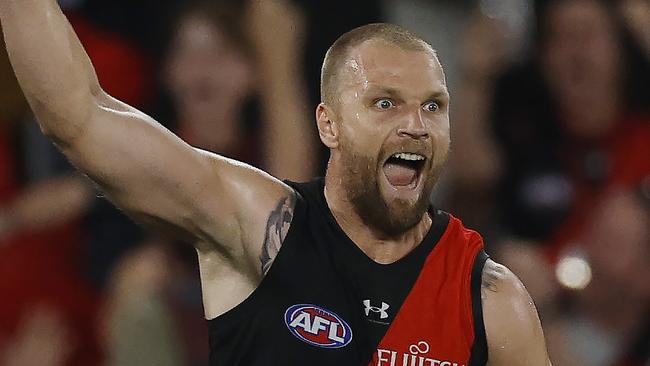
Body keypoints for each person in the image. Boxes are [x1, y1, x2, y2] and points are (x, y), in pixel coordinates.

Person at [0, 1, 552, 365]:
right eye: (385, 103)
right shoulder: (259, 229)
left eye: (433, 106)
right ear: (329, 124)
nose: (415, 124)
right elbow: (79, 115)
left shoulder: (492, 302)